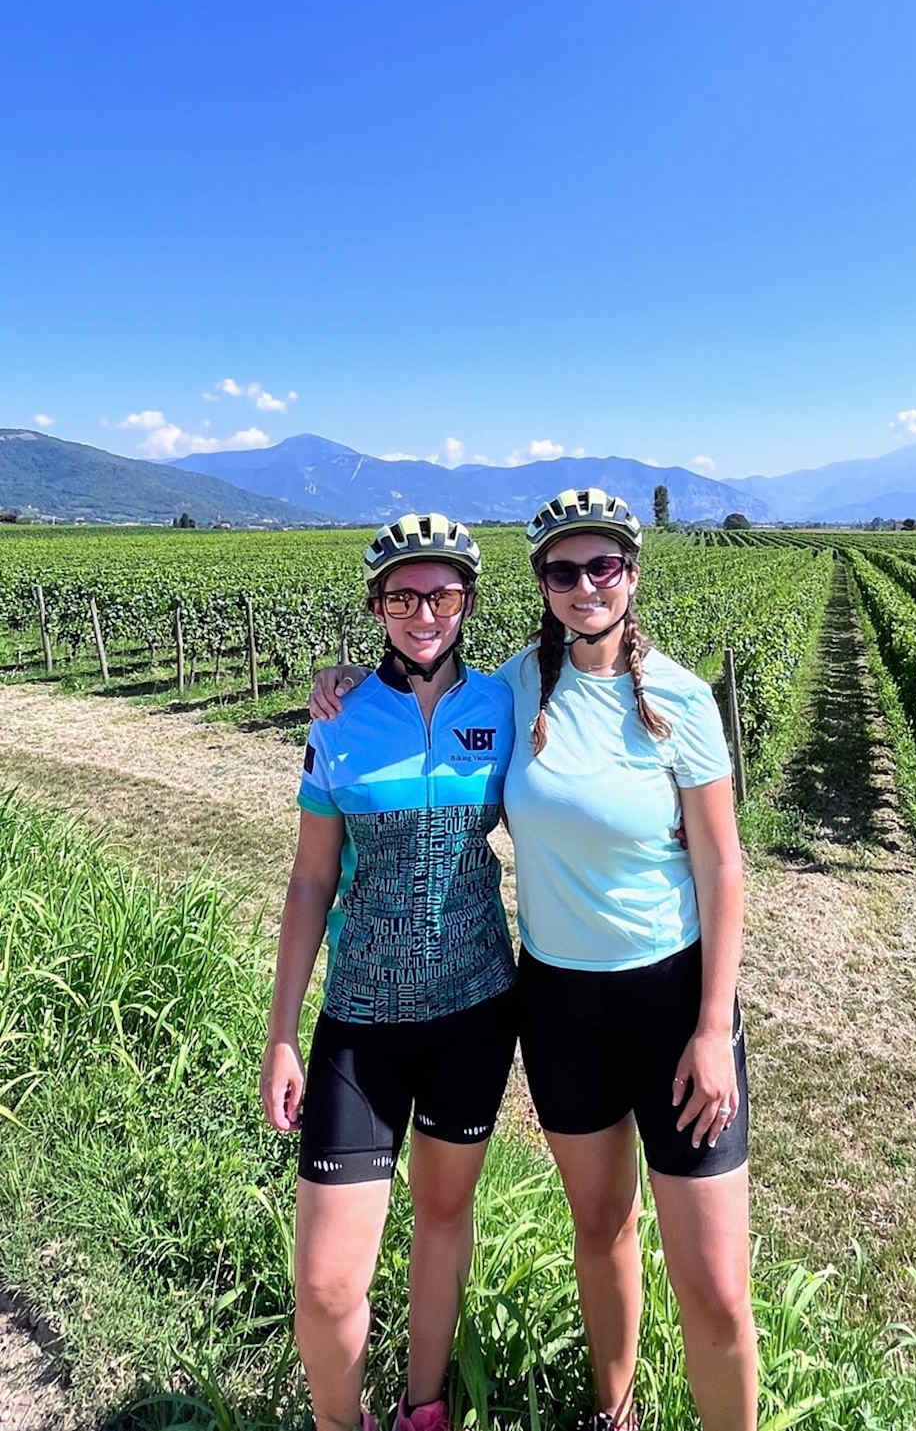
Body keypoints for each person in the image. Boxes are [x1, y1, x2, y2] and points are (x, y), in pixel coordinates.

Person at [312, 489, 757, 1431]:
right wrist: (345, 680)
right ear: (540, 584)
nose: (585, 584)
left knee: (716, 1290)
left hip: (675, 1003)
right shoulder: (515, 689)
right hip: (559, 1006)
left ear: (632, 575)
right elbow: (424, 696)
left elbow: (722, 863)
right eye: (564, 569)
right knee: (600, 1229)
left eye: (603, 566)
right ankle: (615, 1410)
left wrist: (715, 1026)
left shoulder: (678, 697)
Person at [263, 513, 517, 1431]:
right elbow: (310, 879)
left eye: (442, 592)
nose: (423, 610)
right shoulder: (339, 718)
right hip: (360, 1025)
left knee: (444, 1219)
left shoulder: (504, 704)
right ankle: (341, 1421)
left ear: (468, 602)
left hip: (476, 1013)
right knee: (328, 1285)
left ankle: (423, 1407)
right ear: (376, 605)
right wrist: (283, 1033)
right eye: (403, 593)